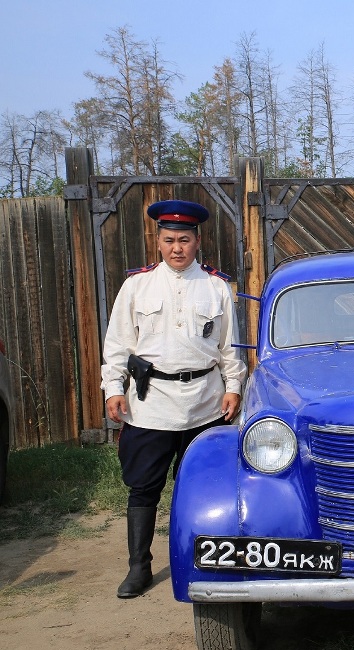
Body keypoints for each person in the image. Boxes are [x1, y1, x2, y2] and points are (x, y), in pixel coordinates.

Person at [100, 199, 247, 598]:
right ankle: (139, 567)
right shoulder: (137, 286)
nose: (177, 248)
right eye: (169, 240)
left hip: (205, 402)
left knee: (209, 485)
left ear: (198, 241)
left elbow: (230, 348)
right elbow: (117, 345)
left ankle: (207, 562)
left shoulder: (216, 286)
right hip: (152, 403)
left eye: (184, 239)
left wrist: (233, 387)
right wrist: (114, 389)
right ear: (158, 242)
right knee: (144, 487)